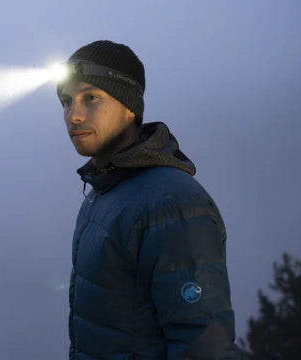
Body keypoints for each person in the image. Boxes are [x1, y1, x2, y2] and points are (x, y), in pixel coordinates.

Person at [56, 40, 239, 360]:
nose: (74, 116)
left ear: (130, 108)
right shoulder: (103, 190)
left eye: (90, 98)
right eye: (66, 102)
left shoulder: (172, 204)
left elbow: (203, 346)